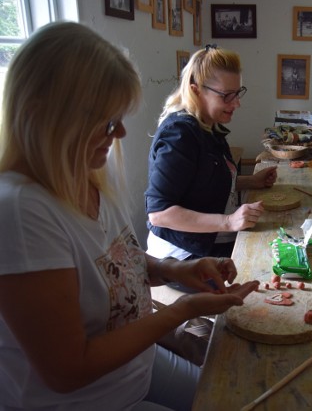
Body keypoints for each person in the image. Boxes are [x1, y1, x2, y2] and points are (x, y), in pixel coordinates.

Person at [0, 21, 259, 411]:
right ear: (46, 115)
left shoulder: (80, 179)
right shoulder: (19, 212)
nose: (120, 132)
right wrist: (182, 310)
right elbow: (68, 369)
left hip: (137, 364)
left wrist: (172, 269)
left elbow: (112, 261)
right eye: (107, 121)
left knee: (238, 398)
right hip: (92, 399)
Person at [145, 44, 277, 261]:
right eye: (227, 96)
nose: (237, 103)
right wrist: (228, 221)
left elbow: (204, 181)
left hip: (213, 241)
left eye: (237, 93)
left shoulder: (208, 124)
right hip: (184, 255)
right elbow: (159, 214)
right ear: (196, 90)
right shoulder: (179, 135)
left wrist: (250, 181)